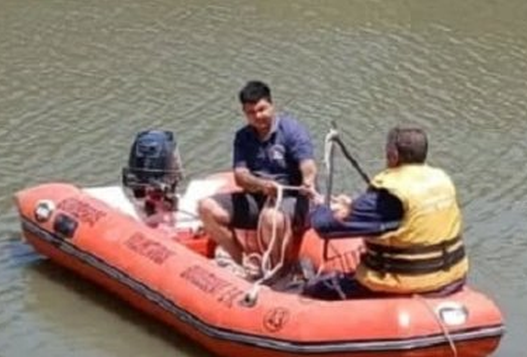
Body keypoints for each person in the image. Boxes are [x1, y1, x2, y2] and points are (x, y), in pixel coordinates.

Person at [306, 126, 468, 300]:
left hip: (406, 283)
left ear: (393, 155)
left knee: (315, 290)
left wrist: (319, 207)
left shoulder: (390, 194)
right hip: (451, 279)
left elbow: (325, 226)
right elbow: (410, 219)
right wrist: (352, 206)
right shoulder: (441, 181)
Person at [198, 80, 319, 278]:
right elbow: (241, 176)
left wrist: (308, 181)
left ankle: (279, 272)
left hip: (291, 199)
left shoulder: (292, 131)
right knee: (206, 207)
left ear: (272, 105)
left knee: (272, 217)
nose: (258, 117)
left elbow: (307, 164)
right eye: (251, 113)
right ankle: (243, 263)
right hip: (258, 196)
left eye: (262, 110)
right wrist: (261, 185)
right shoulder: (243, 137)